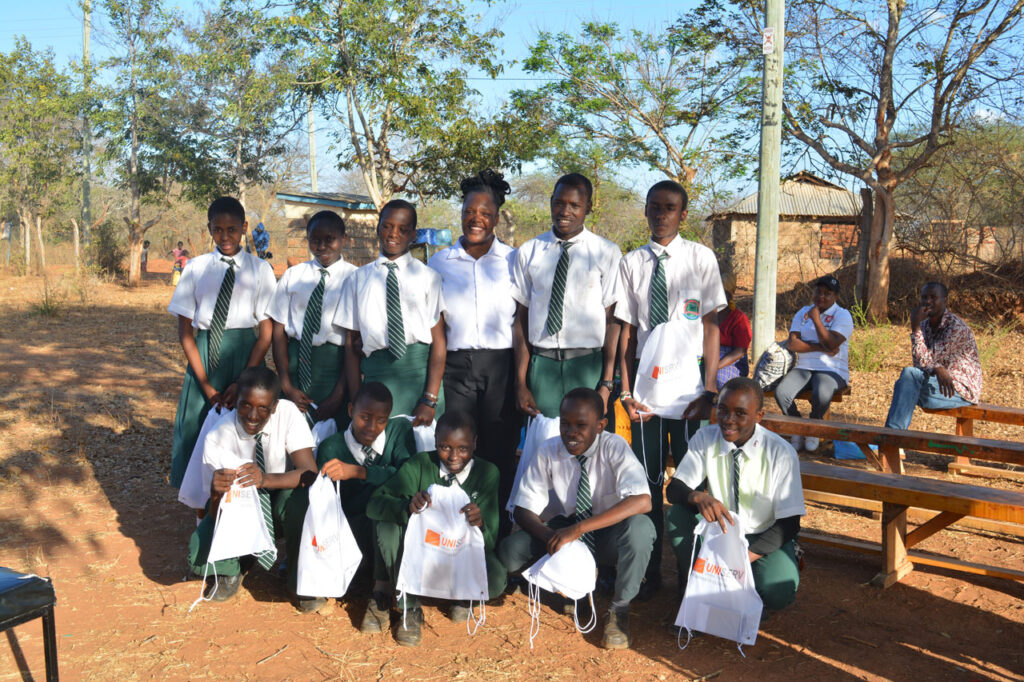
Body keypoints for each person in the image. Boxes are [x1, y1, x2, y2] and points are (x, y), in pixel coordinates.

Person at [615, 179, 727, 599]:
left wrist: (710, 389)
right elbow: (627, 333)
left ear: (683, 214)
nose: (661, 214)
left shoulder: (700, 258)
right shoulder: (632, 263)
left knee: (690, 484)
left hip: (689, 398)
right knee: (645, 485)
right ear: (646, 210)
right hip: (646, 397)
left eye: (670, 208)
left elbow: (711, 327)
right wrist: (626, 392)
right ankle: (648, 574)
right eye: (655, 207)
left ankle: (690, 573)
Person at [498, 388, 654, 650]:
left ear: (600, 425)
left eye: (581, 425)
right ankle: (567, 590)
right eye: (565, 424)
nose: (571, 432)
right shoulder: (549, 450)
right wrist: (553, 538)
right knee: (509, 553)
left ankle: (618, 610)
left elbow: (642, 501)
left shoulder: (614, 446)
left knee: (640, 529)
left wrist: (580, 529)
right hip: (562, 529)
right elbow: (523, 509)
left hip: (605, 532)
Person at [428, 170, 519, 536]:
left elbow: (520, 322)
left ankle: (496, 532)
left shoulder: (514, 260)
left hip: (501, 366)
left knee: (500, 449)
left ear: (496, 217)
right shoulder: (440, 262)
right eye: (469, 211)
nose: (476, 219)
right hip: (456, 368)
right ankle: (456, 530)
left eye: (485, 213)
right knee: (459, 448)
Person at [366, 410, 506, 647]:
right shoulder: (421, 464)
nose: (453, 456)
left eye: (463, 448)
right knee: (387, 526)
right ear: (435, 441)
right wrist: (407, 506)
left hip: (459, 554)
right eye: (445, 447)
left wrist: (479, 523)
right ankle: (409, 605)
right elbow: (375, 504)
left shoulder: (487, 473)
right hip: (425, 551)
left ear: (475, 443)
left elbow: (490, 542)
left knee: (495, 580)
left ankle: (461, 596)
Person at [665, 377, 804, 611]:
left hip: (761, 535)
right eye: (722, 410)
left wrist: (739, 563)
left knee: (778, 590)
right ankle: (697, 583)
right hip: (721, 533)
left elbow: (789, 524)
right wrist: (698, 497)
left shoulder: (781, 453)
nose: (728, 420)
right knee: (677, 515)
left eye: (740, 413)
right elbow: (674, 489)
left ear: (759, 416)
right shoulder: (706, 438)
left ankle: (748, 592)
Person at [167, 196, 276, 489]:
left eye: (232, 230)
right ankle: (198, 503)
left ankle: (241, 500)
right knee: (195, 426)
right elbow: (185, 333)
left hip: (245, 358)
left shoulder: (260, 270)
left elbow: (265, 334)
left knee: (243, 429)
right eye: (218, 230)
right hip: (203, 359)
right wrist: (204, 384)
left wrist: (243, 381)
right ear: (209, 229)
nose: (225, 237)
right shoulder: (196, 268)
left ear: (244, 228)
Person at [186, 367, 318, 604]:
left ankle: (298, 573)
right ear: (236, 400)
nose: (253, 415)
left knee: (302, 499)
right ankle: (232, 567)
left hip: (276, 499)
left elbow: (310, 473)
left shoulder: (288, 413)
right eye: (245, 405)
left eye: (263, 408)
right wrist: (216, 494)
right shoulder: (217, 437)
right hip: (238, 510)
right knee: (197, 555)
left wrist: (265, 479)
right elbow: (214, 511)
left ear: (275, 406)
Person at [511, 174, 622, 420]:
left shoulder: (606, 252)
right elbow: (521, 319)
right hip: (542, 366)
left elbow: (613, 320)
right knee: (543, 437)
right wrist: (521, 382)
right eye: (559, 203)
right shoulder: (529, 251)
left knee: (590, 437)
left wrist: (606, 383)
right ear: (551, 201)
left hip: (588, 366)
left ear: (588, 208)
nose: (565, 212)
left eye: (575, 205)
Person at [334, 199, 446, 423]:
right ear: (378, 228)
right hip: (377, 380)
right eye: (387, 226)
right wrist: (356, 398)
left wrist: (430, 399)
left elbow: (439, 342)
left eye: (403, 229)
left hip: (421, 379)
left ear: (413, 235)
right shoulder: (357, 280)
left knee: (421, 442)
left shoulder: (428, 277)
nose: (394, 234)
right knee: (380, 442)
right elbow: (351, 344)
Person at [314, 382, 417, 622]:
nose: (372, 427)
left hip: (389, 535)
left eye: (381, 420)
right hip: (351, 537)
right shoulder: (332, 447)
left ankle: (384, 592)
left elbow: (407, 477)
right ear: (351, 410)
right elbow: (324, 505)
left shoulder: (399, 432)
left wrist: (359, 472)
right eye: (365, 417)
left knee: (387, 516)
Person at [269, 211, 356, 428]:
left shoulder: (356, 278)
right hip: (295, 366)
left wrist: (339, 394)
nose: (321, 246)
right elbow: (278, 331)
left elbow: (354, 342)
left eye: (330, 239)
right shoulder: (293, 276)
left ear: (343, 239)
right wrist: (286, 384)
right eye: (315, 240)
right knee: (292, 432)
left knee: (333, 432)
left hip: (337, 369)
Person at [884, 282, 982, 430]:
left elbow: (929, 362)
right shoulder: (925, 325)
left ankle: (892, 437)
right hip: (939, 385)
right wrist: (935, 367)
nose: (928, 301)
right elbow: (920, 363)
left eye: (933, 297)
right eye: (924, 297)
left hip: (961, 391)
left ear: (945, 300)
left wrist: (915, 329)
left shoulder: (956, 327)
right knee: (907, 380)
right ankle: (894, 435)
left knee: (907, 380)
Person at [773, 275, 854, 452]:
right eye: (818, 291)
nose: (821, 296)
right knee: (782, 393)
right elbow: (793, 344)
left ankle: (813, 426)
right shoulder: (803, 312)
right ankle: (797, 427)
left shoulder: (842, 315)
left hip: (833, 370)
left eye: (827, 293)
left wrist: (816, 319)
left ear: (836, 297)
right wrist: (821, 347)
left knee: (822, 392)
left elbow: (832, 343)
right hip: (804, 367)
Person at [716, 271, 751, 390]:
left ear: (730, 295)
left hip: (731, 361)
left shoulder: (738, 318)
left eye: (722, 293)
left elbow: (740, 351)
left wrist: (715, 366)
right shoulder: (706, 315)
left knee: (719, 379)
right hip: (708, 356)